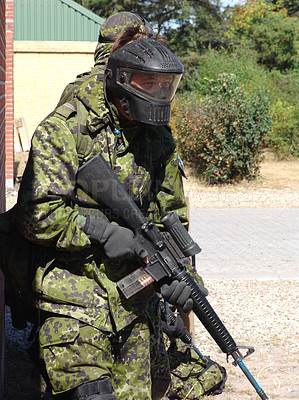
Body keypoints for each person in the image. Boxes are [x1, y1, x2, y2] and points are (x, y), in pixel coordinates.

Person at [15, 14, 196, 400]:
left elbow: (173, 214)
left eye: (166, 87)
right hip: (75, 297)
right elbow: (37, 215)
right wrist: (102, 232)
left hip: (135, 302)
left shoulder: (158, 139)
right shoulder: (63, 130)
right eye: (150, 84)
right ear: (122, 79)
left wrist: (182, 280)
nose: (159, 95)